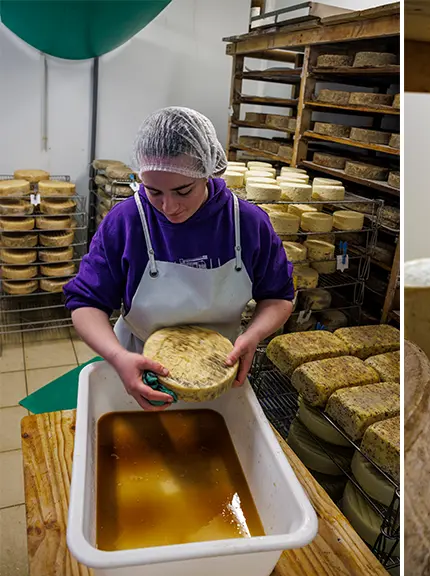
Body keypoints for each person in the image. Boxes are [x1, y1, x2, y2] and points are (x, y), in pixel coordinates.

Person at [64, 107, 294, 410]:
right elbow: (86, 303)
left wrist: (254, 335)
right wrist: (118, 357)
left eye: (183, 191)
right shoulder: (127, 221)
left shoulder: (247, 223)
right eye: (153, 191)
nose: (169, 207)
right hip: (140, 369)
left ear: (208, 172)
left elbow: (278, 296)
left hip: (219, 372)